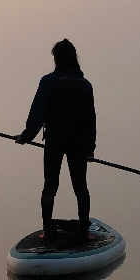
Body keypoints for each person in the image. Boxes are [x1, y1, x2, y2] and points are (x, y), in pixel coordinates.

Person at [15, 39, 96, 239]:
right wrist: (90, 147)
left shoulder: (48, 81)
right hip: (78, 143)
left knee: (50, 185)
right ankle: (84, 229)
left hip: (55, 141)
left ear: (57, 59)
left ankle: (47, 229)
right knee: (80, 186)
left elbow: (38, 112)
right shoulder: (85, 85)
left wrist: (26, 136)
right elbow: (90, 119)